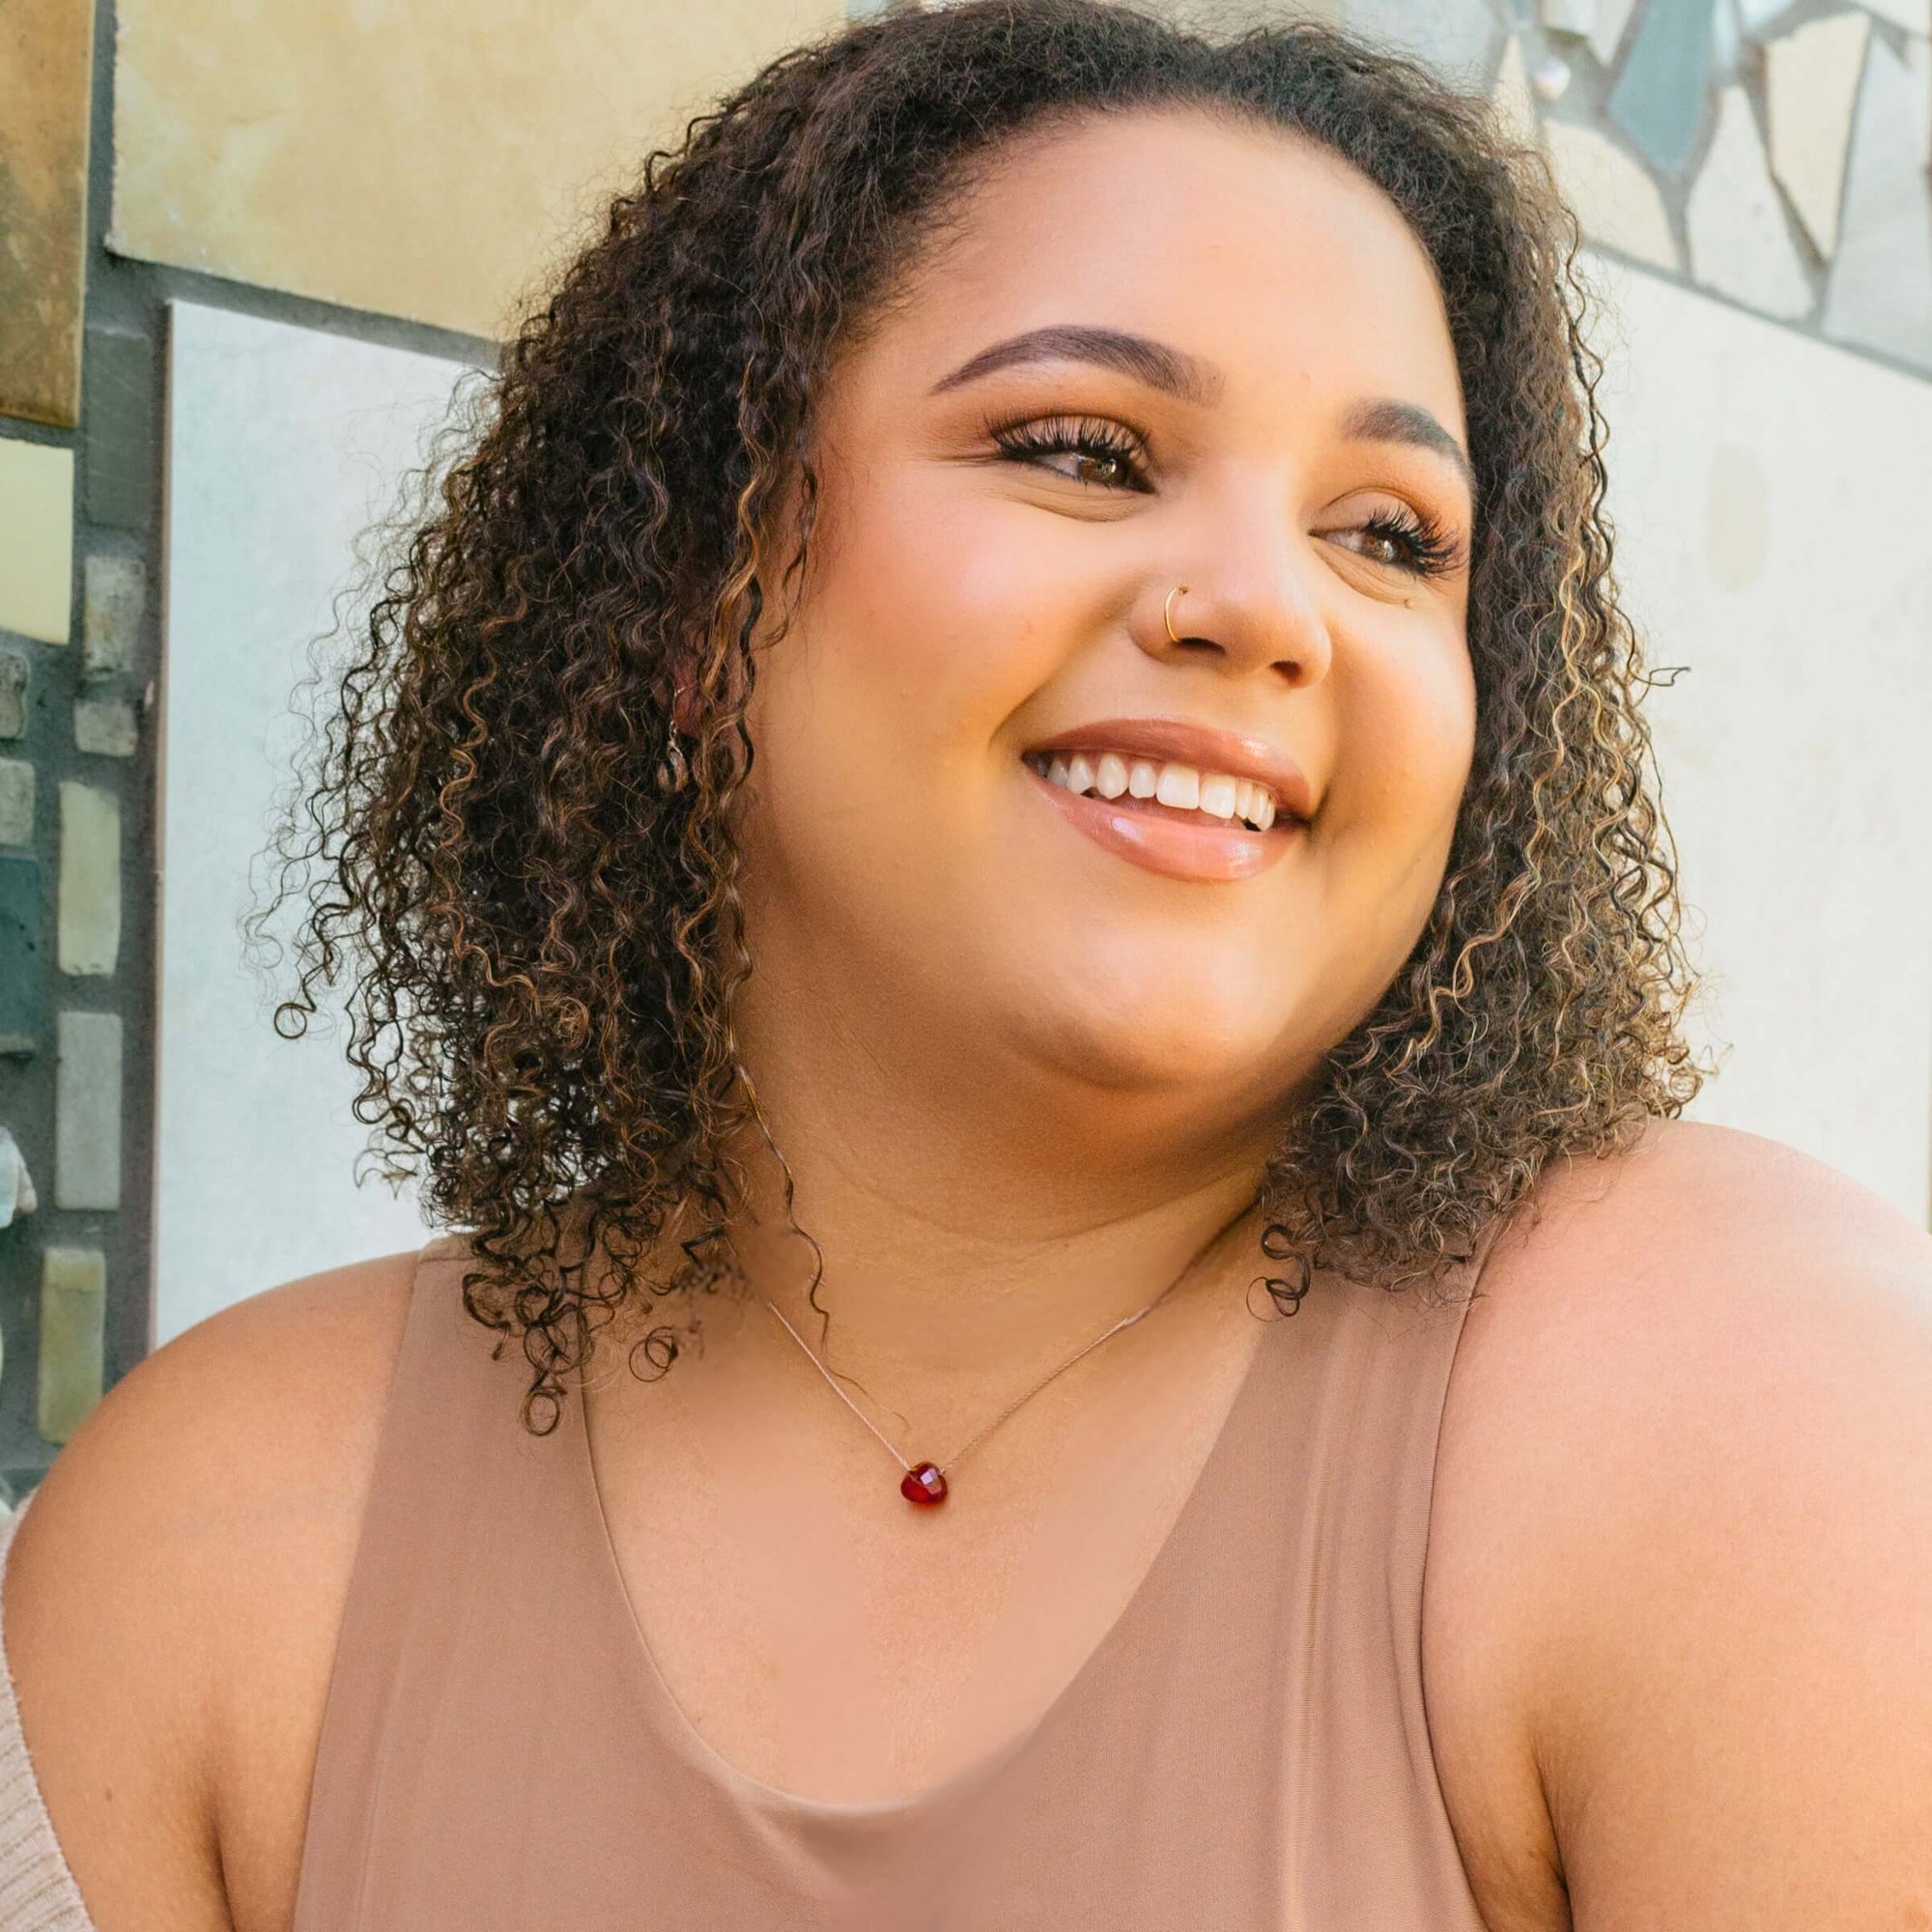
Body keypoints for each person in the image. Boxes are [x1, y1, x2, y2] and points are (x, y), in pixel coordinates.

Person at [5, 2, 1929, 1925]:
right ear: (700, 583)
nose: (1265, 606)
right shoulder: (218, 1559)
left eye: (1387, 534)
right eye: (1084, 450)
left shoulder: (1745, 1408)